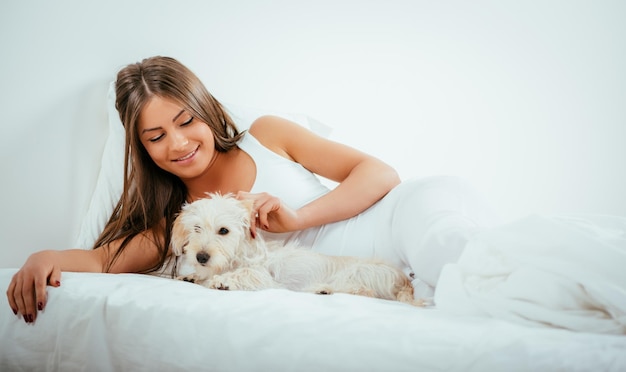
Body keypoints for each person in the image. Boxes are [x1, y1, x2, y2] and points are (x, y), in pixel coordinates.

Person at [6, 56, 500, 324]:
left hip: (393, 220)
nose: (178, 144)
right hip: (345, 278)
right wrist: (42, 257)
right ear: (141, 148)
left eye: (185, 121)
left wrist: (298, 219)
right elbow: (100, 261)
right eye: (155, 137)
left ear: (206, 108)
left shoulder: (265, 134)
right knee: (463, 290)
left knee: (460, 257)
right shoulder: (181, 220)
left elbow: (380, 175)